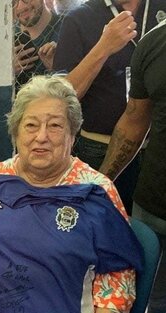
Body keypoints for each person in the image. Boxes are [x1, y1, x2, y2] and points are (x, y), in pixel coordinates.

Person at [0, 76, 143, 313]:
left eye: (54, 126)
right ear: (16, 132)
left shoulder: (96, 191)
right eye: (31, 125)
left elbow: (116, 286)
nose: (41, 136)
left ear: (72, 135)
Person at [53, 0, 166, 214]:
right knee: (101, 225)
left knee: (148, 232)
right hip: (100, 148)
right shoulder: (79, 18)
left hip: (157, 149)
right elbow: (62, 99)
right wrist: (104, 47)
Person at [99, 20, 166, 313]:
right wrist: (101, 181)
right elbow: (135, 120)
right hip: (155, 207)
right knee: (151, 302)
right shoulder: (155, 42)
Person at [13, 0, 63, 90]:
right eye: (13, 2)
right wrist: (7, 71)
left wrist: (56, 69)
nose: (21, 6)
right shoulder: (5, 36)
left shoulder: (67, 28)